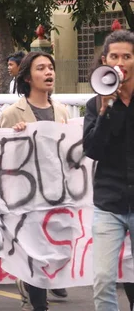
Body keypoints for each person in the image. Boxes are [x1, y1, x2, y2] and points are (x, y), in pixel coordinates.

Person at [0, 51, 69, 311]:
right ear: (28, 77)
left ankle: (29, 285)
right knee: (36, 252)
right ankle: (39, 303)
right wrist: (15, 137)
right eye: (41, 68)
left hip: (57, 193)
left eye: (51, 67)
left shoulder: (61, 111)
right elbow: (2, 156)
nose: (48, 73)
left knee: (57, 251)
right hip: (26, 196)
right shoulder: (12, 114)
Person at [83, 30, 134, 311]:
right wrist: (104, 110)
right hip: (109, 204)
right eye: (114, 56)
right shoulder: (95, 104)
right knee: (103, 280)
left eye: (127, 56)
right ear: (105, 60)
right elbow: (92, 150)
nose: (120, 62)